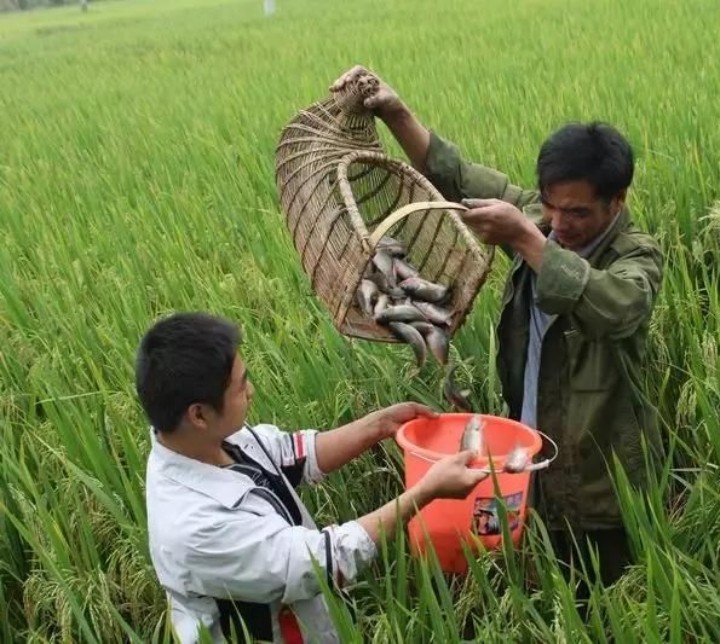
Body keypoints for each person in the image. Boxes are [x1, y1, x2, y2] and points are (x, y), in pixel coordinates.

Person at [328, 66, 666, 593]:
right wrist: (395, 111)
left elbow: (616, 308)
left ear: (616, 201)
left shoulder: (636, 256)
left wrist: (527, 239)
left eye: (575, 211)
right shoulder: (539, 218)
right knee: (540, 585)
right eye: (548, 206)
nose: (557, 222)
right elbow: (455, 175)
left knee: (601, 599)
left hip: (602, 485)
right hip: (527, 463)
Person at [136, 311, 488, 643]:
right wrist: (425, 492)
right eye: (241, 387)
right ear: (198, 414)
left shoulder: (212, 440)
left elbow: (293, 455)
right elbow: (318, 563)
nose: (252, 391)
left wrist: (378, 426)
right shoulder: (194, 528)